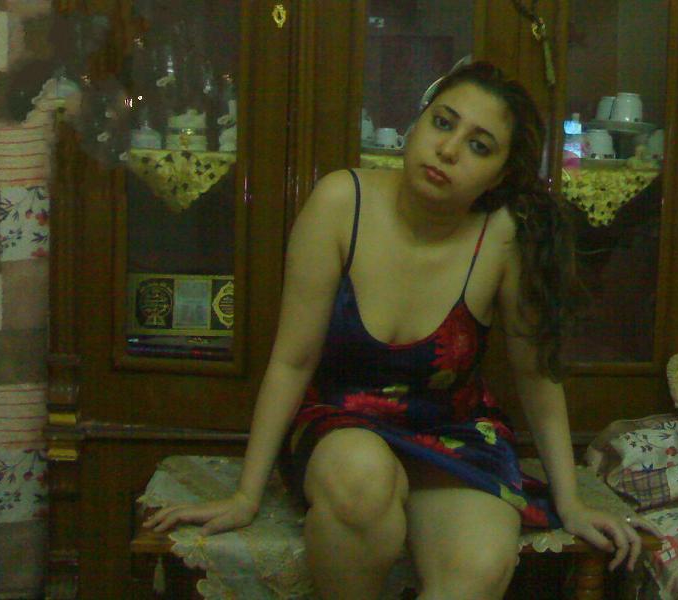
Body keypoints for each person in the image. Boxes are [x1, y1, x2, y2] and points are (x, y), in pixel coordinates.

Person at [145, 61, 649, 600]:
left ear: (500, 175)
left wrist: (570, 502)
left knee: (479, 567)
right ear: (417, 122)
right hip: (341, 426)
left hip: (454, 432)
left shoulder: (503, 237)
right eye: (442, 122)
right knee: (363, 483)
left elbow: (536, 378)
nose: (448, 150)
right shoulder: (341, 202)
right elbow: (293, 360)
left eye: (479, 146)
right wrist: (247, 495)